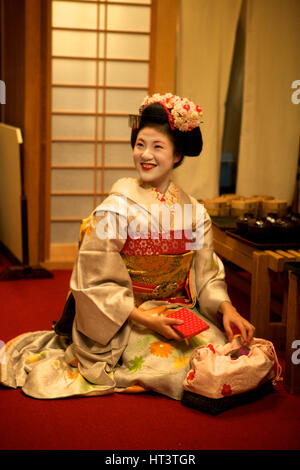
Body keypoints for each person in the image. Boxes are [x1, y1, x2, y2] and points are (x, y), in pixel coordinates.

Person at [0, 93, 255, 400]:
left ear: (176, 155)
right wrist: (146, 318)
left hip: (178, 311)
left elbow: (207, 277)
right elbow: (94, 280)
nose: (145, 155)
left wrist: (227, 307)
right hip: (125, 317)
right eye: (140, 145)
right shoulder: (116, 209)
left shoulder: (194, 212)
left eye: (157, 146)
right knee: (177, 368)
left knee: (226, 355)